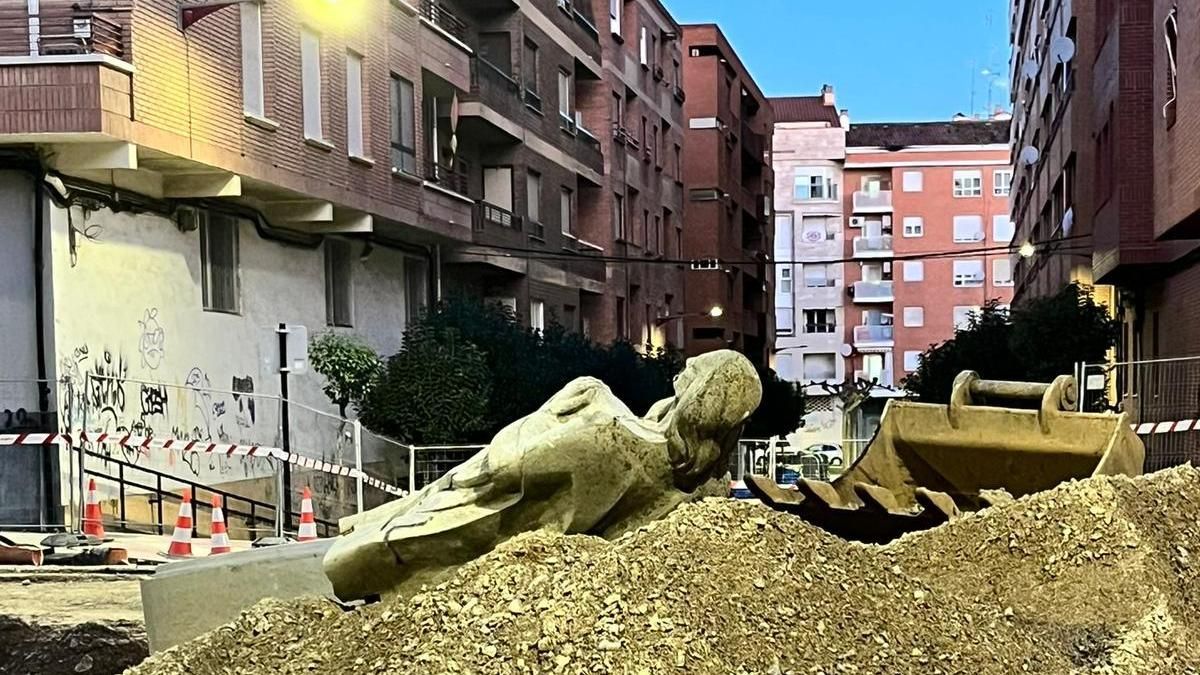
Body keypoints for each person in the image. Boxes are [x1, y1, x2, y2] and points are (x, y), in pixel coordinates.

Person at [323, 349, 762, 601]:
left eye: (690, 372)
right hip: (549, 548)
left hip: (501, 521)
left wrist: (565, 409)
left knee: (407, 542)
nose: (682, 369)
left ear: (696, 393)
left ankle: (367, 563)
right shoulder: (702, 487)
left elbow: (505, 467)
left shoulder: (613, 435)